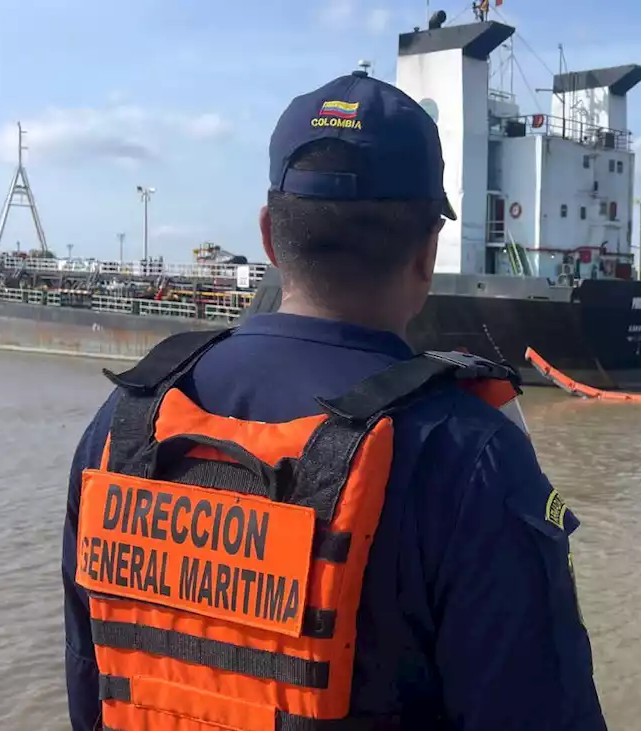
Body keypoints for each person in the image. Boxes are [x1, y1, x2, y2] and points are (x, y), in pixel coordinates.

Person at [61, 69, 607, 730]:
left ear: (269, 236)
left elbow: (92, 687)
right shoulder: (471, 458)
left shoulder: (123, 424)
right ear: (428, 250)